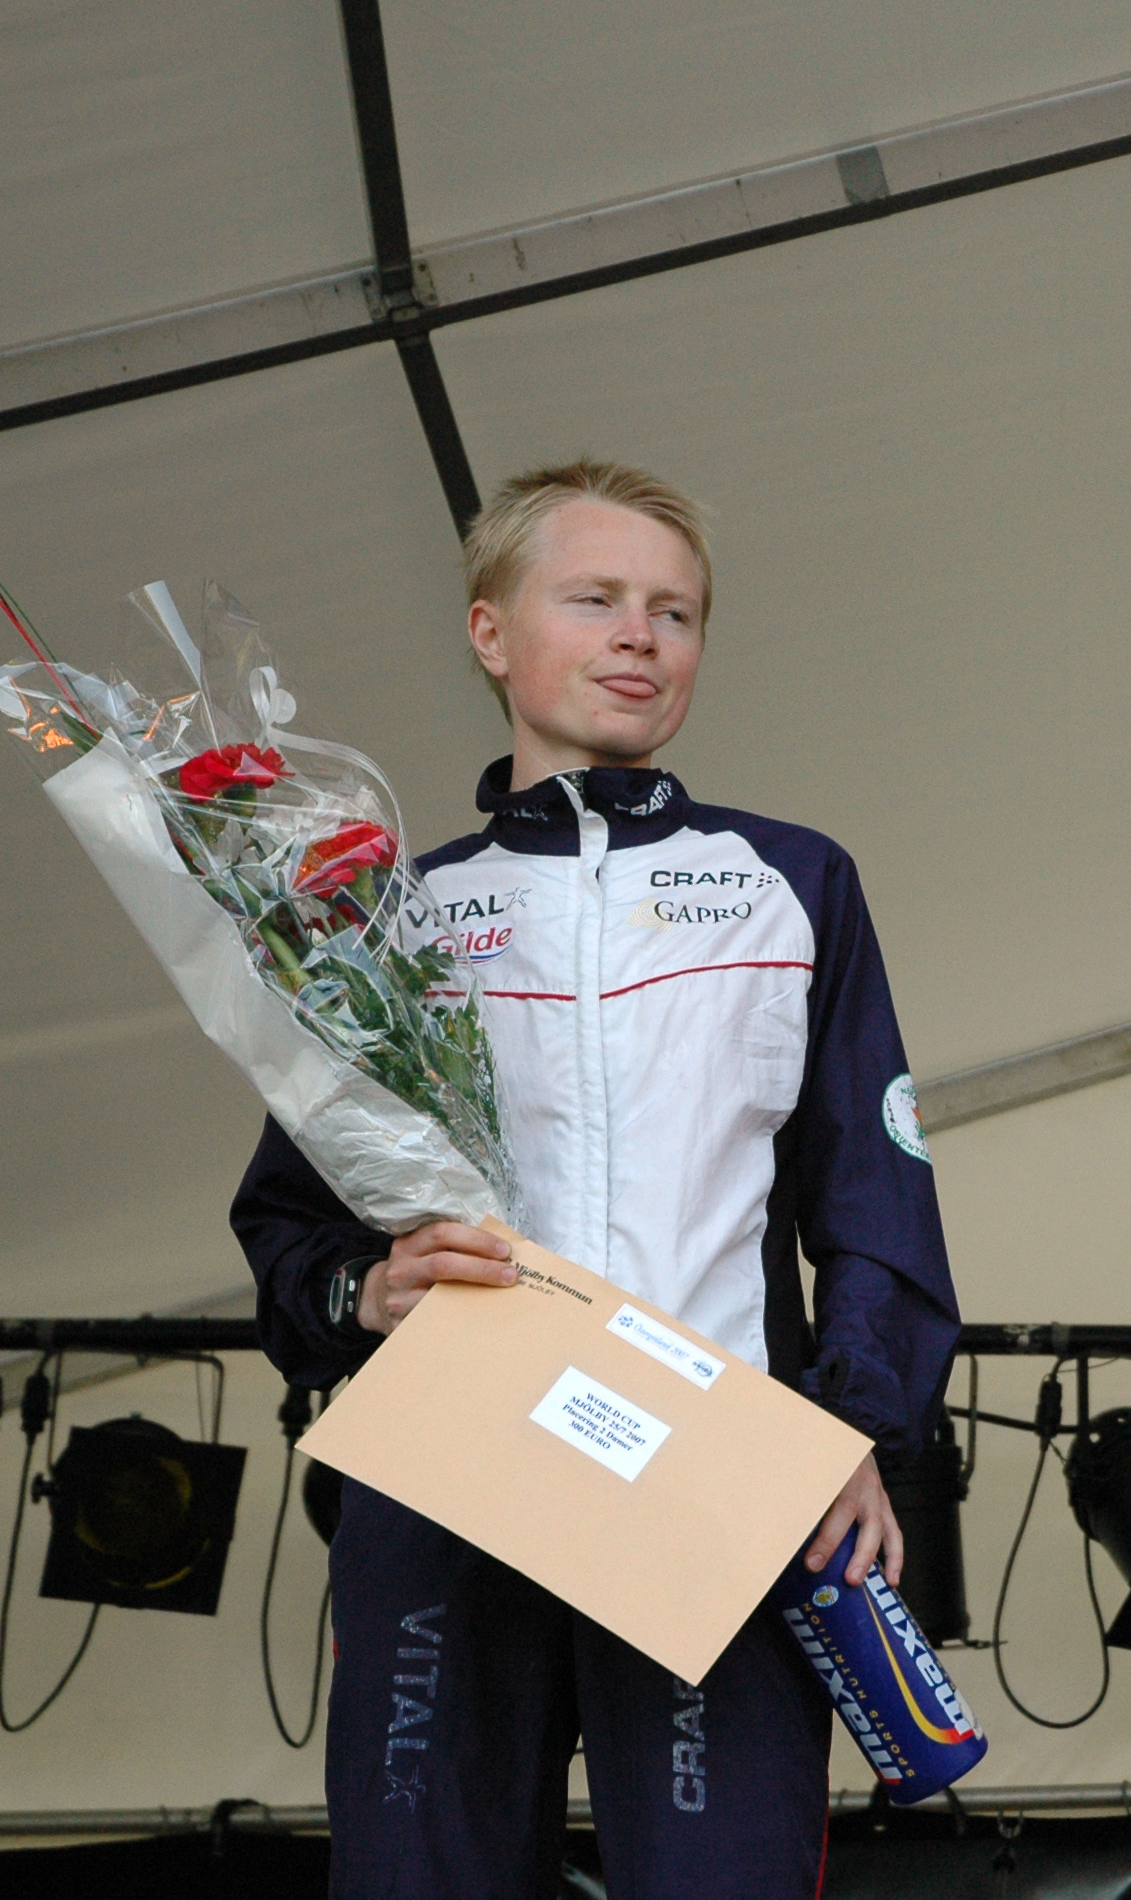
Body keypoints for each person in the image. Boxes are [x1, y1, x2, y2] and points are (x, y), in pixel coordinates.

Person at [231, 458, 961, 1900]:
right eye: (596, 600)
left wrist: (847, 1427)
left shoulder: (791, 881)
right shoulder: (390, 913)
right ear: (489, 632)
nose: (641, 636)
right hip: (445, 1469)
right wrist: (363, 1289)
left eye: (675, 613)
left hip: (718, 1478)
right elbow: (288, 1215)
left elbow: (871, 1194)